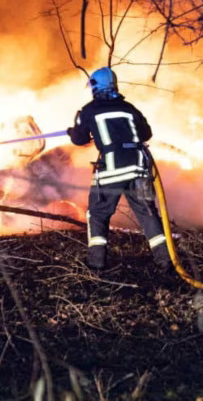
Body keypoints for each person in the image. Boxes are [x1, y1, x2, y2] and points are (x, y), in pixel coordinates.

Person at [68, 67, 172, 271]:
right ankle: (166, 259)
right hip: (139, 168)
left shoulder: (89, 110)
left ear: (95, 87)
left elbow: (79, 139)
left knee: (98, 213)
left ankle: (96, 262)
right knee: (148, 213)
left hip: (112, 170)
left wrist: (73, 130)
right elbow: (146, 134)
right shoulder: (129, 108)